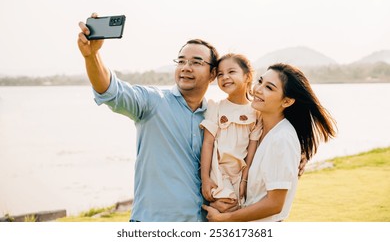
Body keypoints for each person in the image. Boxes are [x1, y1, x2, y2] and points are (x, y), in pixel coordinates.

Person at [77, 14, 219, 221]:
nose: (186, 67)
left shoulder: (215, 117)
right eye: (181, 61)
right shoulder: (152, 101)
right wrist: (92, 56)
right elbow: (110, 91)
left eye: (196, 62)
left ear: (213, 74)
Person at [203, 63, 337, 221]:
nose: (258, 89)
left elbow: (274, 204)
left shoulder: (282, 138)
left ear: (286, 101)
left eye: (269, 88)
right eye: (260, 81)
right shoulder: (258, 130)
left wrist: (226, 218)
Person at [200, 53, 262, 207]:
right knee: (225, 208)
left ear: (247, 76)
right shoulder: (216, 107)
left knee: (239, 212)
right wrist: (205, 179)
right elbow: (207, 143)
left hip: (241, 174)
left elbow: (252, 149)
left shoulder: (256, 111)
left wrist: (245, 179)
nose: (225, 77)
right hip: (219, 173)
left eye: (231, 72)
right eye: (220, 74)